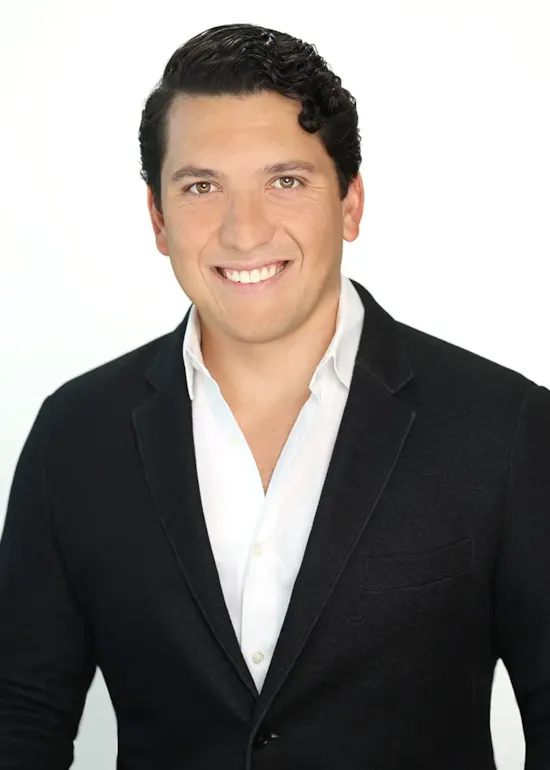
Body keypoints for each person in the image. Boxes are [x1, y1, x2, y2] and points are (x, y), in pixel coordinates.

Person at [0, 21, 548, 770]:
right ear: (158, 218)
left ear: (350, 203)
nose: (244, 231)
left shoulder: (506, 428)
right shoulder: (76, 433)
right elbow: (20, 712)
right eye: (201, 187)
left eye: (285, 181)